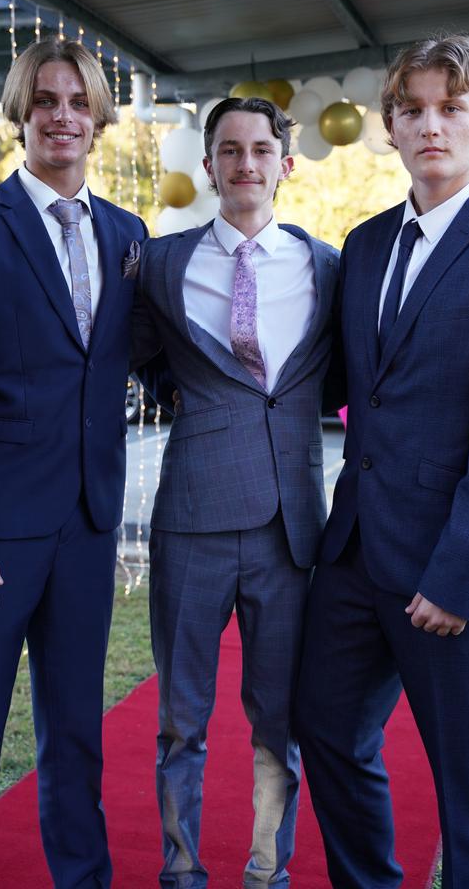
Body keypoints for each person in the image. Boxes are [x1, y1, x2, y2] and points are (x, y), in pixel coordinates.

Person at [296, 34, 469, 888]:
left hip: (461, 571)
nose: (431, 125)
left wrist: (460, 580)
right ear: (390, 127)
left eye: (450, 108)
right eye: (411, 110)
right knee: (328, 729)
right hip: (356, 555)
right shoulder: (366, 242)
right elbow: (339, 380)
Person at [0, 37, 147, 889]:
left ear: (99, 118)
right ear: (20, 114)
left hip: (88, 528)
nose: (63, 115)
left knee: (77, 736)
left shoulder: (128, 235)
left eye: (78, 101)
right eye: (45, 100)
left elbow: (133, 361)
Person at [131, 96, 339, 888]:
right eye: (229, 150)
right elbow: (138, 356)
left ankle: (267, 870)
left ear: (286, 164)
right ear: (209, 163)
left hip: (291, 527)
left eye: (260, 149)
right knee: (181, 718)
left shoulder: (328, 265)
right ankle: (181, 872)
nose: (245, 163)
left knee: (278, 721)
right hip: (192, 517)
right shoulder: (160, 263)